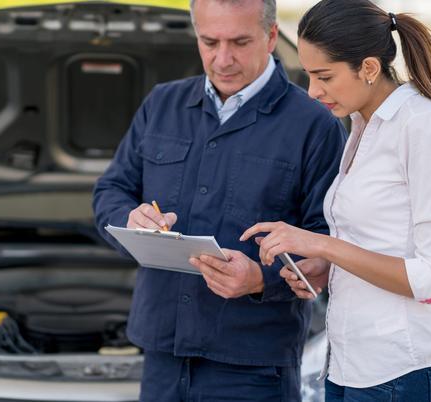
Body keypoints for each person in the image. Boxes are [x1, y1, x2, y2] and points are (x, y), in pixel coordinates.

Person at [92, 0, 346, 400]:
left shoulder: (316, 125)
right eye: (210, 42)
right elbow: (110, 191)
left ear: (271, 37)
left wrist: (261, 281)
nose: (223, 59)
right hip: (162, 352)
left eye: (240, 42)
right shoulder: (162, 104)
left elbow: (329, 246)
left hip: (253, 364)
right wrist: (130, 217)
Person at [240, 1, 431, 401]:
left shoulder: (422, 125)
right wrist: (323, 267)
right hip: (351, 365)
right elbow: (377, 243)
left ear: (368, 68)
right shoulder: (361, 124)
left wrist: (321, 244)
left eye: (324, 76)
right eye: (309, 75)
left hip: (403, 370)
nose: (312, 91)